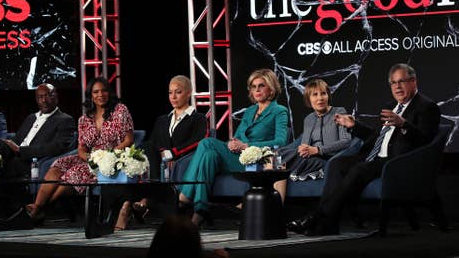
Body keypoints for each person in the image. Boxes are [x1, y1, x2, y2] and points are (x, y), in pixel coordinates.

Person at [287, 63, 441, 236]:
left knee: (359, 169)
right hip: (373, 156)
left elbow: (426, 140)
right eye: (393, 83)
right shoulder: (390, 105)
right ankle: (328, 224)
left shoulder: (427, 107)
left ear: (413, 81)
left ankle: (317, 218)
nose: (397, 87)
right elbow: (374, 136)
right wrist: (354, 126)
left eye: (402, 82)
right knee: (337, 164)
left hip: (396, 161)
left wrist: (403, 124)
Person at [178, 68, 289, 226]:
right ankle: (200, 210)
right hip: (237, 157)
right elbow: (237, 136)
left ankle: (185, 195)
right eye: (253, 86)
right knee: (209, 156)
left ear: (271, 88)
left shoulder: (279, 111)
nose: (256, 90)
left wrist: (247, 145)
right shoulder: (250, 111)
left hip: (257, 162)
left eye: (261, 86)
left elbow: (281, 141)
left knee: (206, 142)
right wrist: (232, 143)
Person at [26, 76, 134, 220]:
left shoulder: (120, 110)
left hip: (111, 159)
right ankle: (37, 206)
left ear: (110, 92)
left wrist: (108, 155)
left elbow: (129, 140)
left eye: (104, 91)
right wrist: (90, 158)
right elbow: (81, 148)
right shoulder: (85, 119)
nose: (100, 95)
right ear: (90, 95)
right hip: (91, 157)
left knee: (75, 172)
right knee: (58, 165)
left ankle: (41, 208)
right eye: (96, 92)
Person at [116, 75, 207, 229]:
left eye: (178, 92)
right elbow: (154, 143)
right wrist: (164, 154)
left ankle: (144, 200)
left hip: (183, 161)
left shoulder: (198, 118)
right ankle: (144, 198)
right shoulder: (162, 119)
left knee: (152, 156)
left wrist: (173, 154)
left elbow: (199, 141)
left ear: (188, 93)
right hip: (160, 163)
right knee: (146, 147)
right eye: (170, 92)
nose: (173, 97)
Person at [272, 78, 355, 203]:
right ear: (309, 99)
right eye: (314, 95)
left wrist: (317, 149)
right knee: (276, 155)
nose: (320, 98)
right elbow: (305, 145)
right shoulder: (309, 119)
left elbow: (346, 141)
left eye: (323, 93)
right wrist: (303, 149)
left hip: (326, 161)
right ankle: (275, 205)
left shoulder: (339, 112)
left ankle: (269, 204)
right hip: (308, 159)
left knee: (278, 158)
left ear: (328, 96)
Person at [0, 83, 76, 179]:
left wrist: (21, 150)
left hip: (32, 161)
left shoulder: (65, 120)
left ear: (56, 97)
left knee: (3, 166)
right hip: (16, 155)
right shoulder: (31, 117)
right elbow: (17, 139)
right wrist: (9, 144)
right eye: (40, 97)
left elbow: (56, 147)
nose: (44, 100)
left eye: (48, 96)